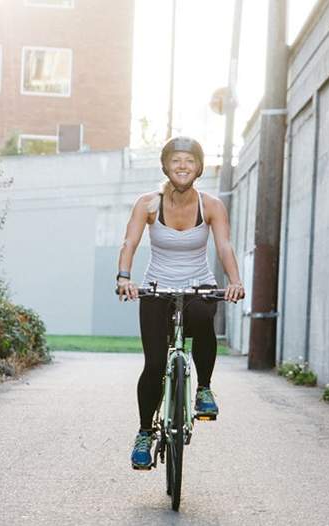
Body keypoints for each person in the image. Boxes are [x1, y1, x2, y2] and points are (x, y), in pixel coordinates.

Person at [116, 136, 245, 470]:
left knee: (203, 316)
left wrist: (235, 281)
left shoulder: (212, 205)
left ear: (199, 167)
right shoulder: (148, 203)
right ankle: (145, 433)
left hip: (198, 286)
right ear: (165, 166)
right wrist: (124, 277)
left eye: (189, 160)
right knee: (155, 364)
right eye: (176, 160)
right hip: (157, 288)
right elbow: (130, 241)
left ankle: (203, 389)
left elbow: (225, 246)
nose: (183, 166)